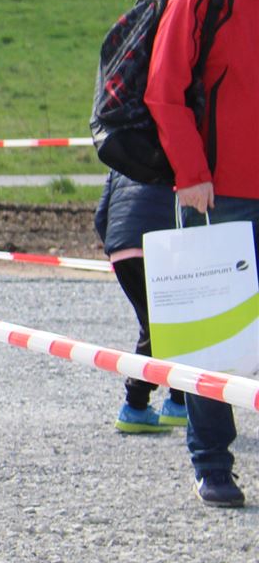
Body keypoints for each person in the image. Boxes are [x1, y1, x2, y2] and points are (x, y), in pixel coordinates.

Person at [145, 0, 258, 509]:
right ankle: (212, 462)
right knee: (214, 334)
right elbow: (164, 91)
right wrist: (191, 174)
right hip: (220, 196)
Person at [92, 171, 190, 432]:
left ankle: (172, 400)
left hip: (120, 248)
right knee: (166, 325)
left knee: (155, 326)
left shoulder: (121, 161)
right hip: (158, 246)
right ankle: (142, 404)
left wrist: (115, 246)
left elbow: (101, 215)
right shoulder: (171, 158)